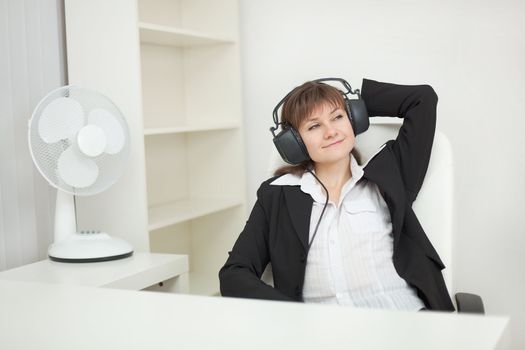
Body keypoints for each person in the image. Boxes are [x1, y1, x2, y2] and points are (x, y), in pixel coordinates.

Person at [219, 78, 455, 312]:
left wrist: (355, 104)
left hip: (406, 322)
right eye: (314, 126)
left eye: (338, 117)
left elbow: (422, 99)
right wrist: (292, 316)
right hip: (323, 336)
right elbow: (233, 274)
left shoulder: (392, 173)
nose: (331, 132)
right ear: (295, 143)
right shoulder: (276, 196)